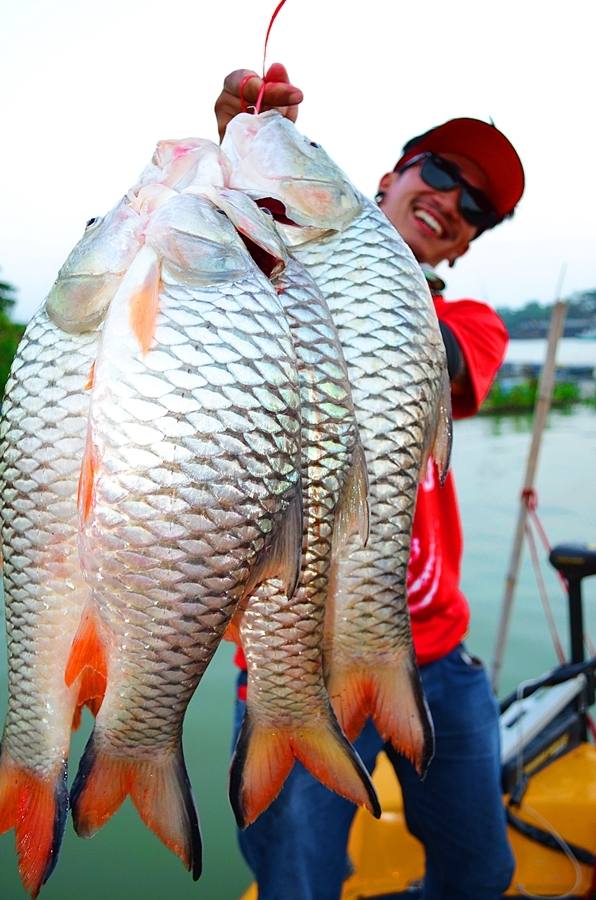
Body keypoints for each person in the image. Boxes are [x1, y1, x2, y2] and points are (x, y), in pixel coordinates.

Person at [215, 65, 524, 900]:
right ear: (388, 178)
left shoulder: (471, 324)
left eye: (478, 209)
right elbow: (211, 268)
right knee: (297, 883)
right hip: (291, 653)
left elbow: (427, 350)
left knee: (481, 872)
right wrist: (248, 163)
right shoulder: (276, 275)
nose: (455, 200)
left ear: (465, 245)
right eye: (441, 172)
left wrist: (337, 237)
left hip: (436, 661)